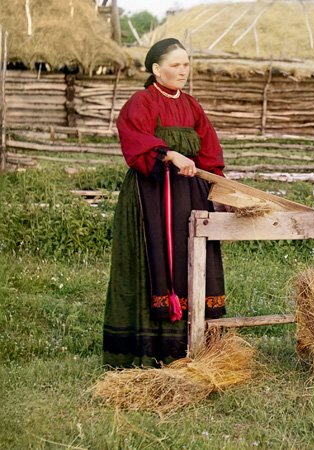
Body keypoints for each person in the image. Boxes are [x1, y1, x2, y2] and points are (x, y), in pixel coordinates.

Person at [103, 38, 227, 367]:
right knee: (157, 260)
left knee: (193, 259)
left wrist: (219, 183)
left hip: (191, 196)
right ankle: (152, 348)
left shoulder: (191, 106)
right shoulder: (140, 103)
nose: (182, 71)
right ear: (157, 69)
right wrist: (170, 154)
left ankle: (195, 346)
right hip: (153, 198)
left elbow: (209, 150)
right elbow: (135, 142)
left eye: (186, 64)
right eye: (175, 65)